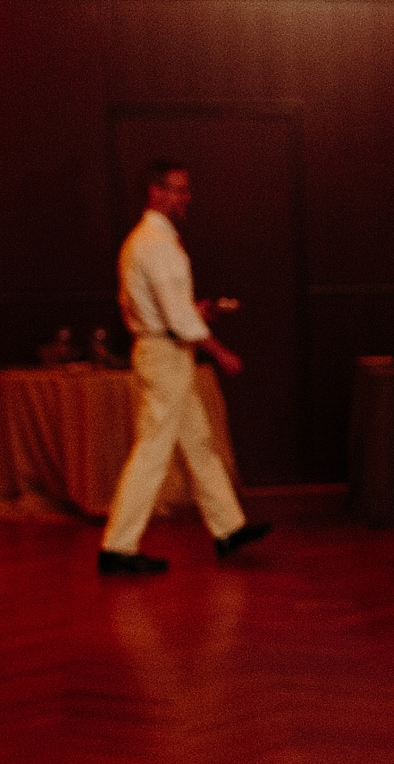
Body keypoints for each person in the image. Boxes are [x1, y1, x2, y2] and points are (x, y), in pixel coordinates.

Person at [97, 162, 271, 575]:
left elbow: (147, 308)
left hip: (164, 350)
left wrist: (192, 316)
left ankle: (228, 528)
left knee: (198, 442)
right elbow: (174, 316)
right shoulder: (155, 242)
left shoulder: (143, 241)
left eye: (187, 191)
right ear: (155, 192)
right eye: (178, 190)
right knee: (153, 450)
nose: (185, 198)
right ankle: (117, 546)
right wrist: (219, 350)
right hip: (166, 354)